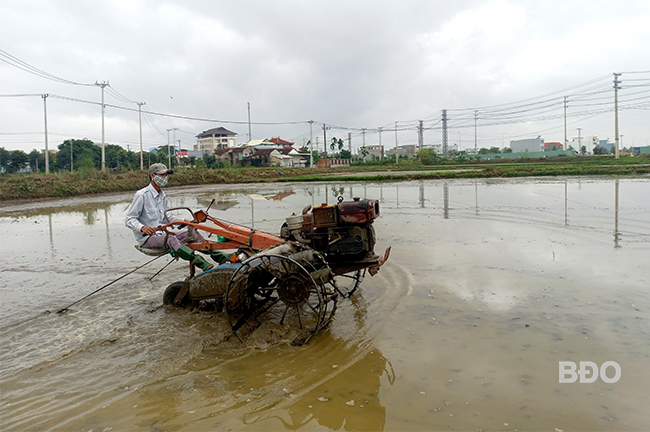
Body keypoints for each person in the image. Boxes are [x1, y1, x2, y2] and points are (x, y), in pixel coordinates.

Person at [125, 163, 213, 271]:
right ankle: (202, 264)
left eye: (166, 175)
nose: (165, 178)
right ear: (153, 176)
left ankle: (220, 256)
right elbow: (129, 219)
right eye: (162, 175)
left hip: (161, 233)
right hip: (147, 238)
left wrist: (184, 222)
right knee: (171, 238)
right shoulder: (142, 195)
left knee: (192, 233)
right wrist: (143, 227)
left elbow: (165, 217)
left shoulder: (162, 196)